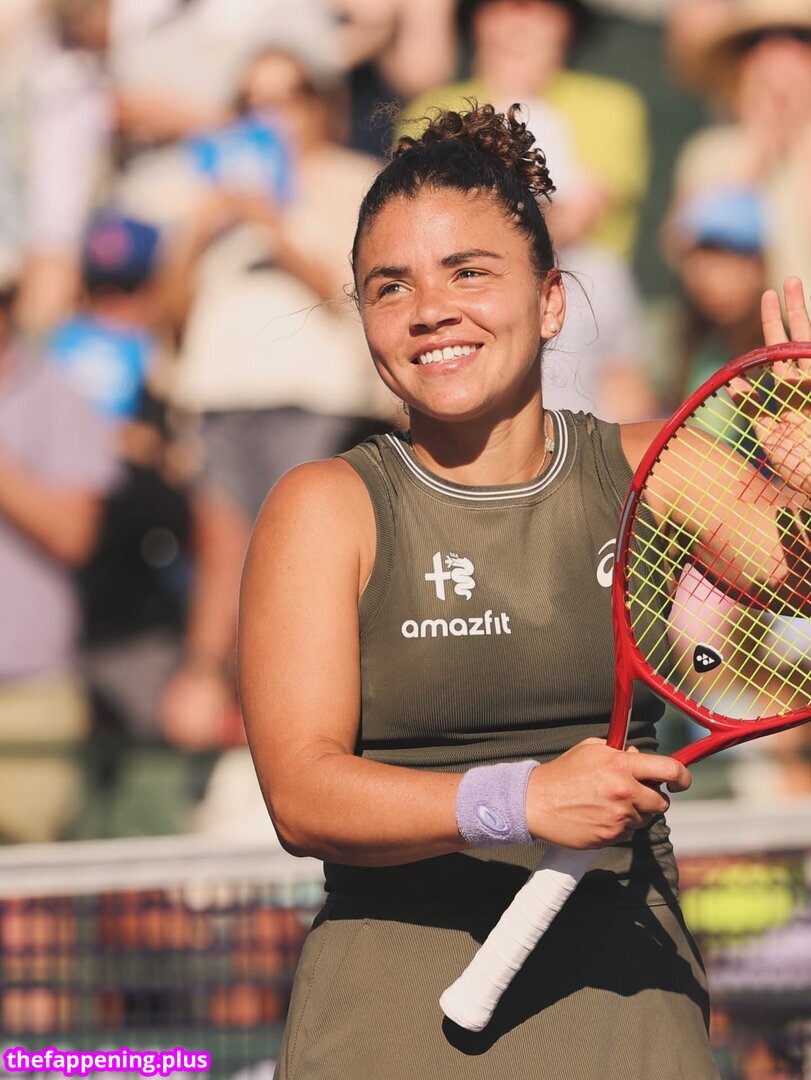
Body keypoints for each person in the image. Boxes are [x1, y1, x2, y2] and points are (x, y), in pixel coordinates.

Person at [238, 104, 810, 1078]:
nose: (429, 309)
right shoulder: (323, 507)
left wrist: (803, 480)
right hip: (386, 1027)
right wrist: (522, 799)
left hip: (630, 1016)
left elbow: (794, 575)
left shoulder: (652, 467)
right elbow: (301, 796)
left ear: (550, 302)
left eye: (469, 272)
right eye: (390, 286)